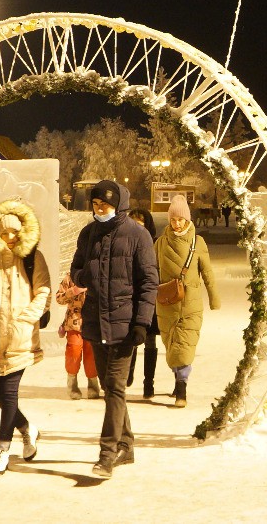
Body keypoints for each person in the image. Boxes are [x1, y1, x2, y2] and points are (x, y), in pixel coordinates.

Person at [69, 179, 157, 480]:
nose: (99, 209)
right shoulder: (88, 233)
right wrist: (87, 274)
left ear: (119, 204)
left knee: (115, 388)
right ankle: (127, 445)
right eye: (95, 204)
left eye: (104, 204)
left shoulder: (137, 235)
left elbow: (148, 282)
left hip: (125, 325)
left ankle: (107, 455)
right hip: (95, 322)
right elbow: (75, 270)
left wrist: (142, 323)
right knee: (110, 388)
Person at [0, 200, 50, 477]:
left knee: (10, 392)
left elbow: (43, 291)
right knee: (0, 395)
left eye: (15, 233)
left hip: (20, 337)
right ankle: (28, 429)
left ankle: (2, 448)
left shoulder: (32, 258)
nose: (11, 238)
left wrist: (27, 317)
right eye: (5, 233)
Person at [155, 194, 220, 408]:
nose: (177, 223)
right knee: (171, 345)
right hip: (166, 302)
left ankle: (182, 386)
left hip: (190, 303)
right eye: (173, 219)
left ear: (188, 219)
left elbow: (207, 272)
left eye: (181, 219)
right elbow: (151, 271)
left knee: (185, 345)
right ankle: (178, 377)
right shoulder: (161, 242)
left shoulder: (197, 242)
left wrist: (214, 297)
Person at [126, 207, 160, 399]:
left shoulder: (154, 245)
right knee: (131, 339)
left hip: (149, 298)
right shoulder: (125, 243)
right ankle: (128, 373)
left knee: (150, 341)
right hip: (130, 297)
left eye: (141, 224)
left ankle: (149, 382)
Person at [55, 272, 101, 399]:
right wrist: (73, 291)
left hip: (93, 322)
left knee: (91, 354)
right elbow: (59, 298)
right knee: (73, 351)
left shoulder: (97, 273)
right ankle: (72, 383)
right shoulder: (70, 277)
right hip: (74, 323)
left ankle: (93, 384)